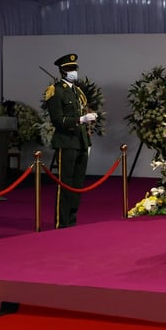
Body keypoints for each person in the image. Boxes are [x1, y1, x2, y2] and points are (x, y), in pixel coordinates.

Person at [44, 53, 96, 228]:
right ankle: (62, 222)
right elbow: (58, 120)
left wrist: (87, 137)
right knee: (65, 183)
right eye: (69, 69)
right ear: (62, 71)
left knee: (77, 184)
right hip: (66, 142)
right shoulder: (55, 91)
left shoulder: (77, 92)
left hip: (80, 142)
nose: (73, 72)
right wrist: (80, 120)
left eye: (74, 68)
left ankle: (72, 220)